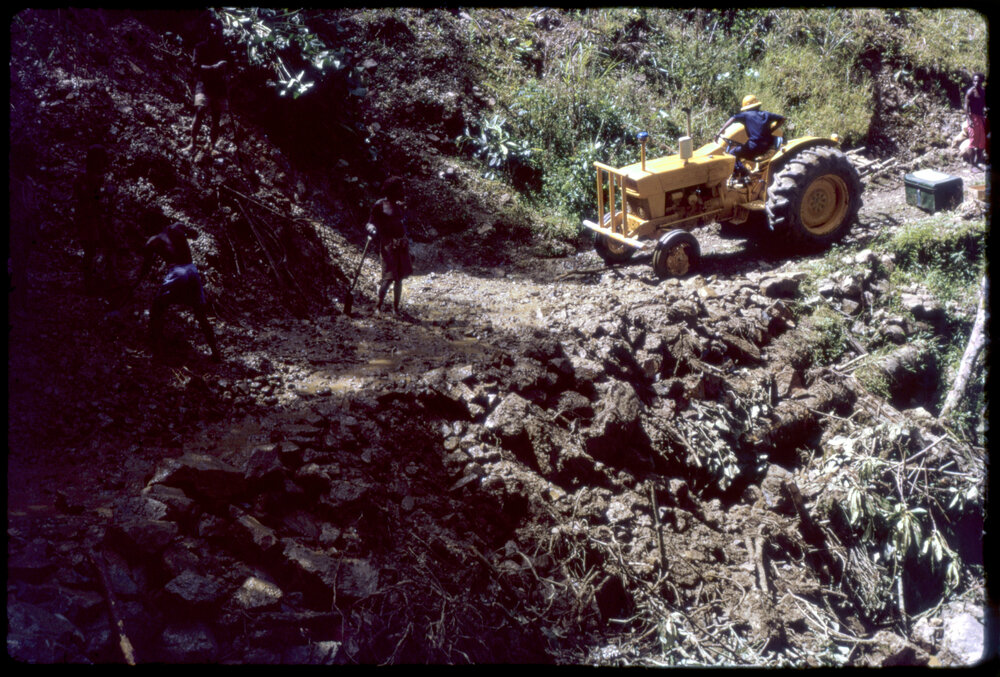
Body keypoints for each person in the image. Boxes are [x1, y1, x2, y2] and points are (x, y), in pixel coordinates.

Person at [130, 221, 220, 361]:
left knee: (156, 311)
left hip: (177, 272)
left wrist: (135, 283)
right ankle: (216, 354)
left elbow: (146, 268)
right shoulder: (177, 227)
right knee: (200, 314)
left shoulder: (153, 241)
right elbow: (195, 234)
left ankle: (158, 355)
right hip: (192, 270)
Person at [71, 144, 119, 293]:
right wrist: (105, 192)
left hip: (97, 217)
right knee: (90, 250)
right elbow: (87, 197)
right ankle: (88, 283)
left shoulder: (98, 175)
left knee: (108, 246)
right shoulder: (83, 176)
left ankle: (106, 279)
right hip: (86, 218)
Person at [365, 177, 413, 315]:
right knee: (388, 277)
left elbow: (402, 221)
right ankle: (378, 307)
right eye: (399, 188)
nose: (402, 191)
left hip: (401, 244)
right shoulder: (380, 205)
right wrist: (371, 228)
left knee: (399, 278)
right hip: (388, 246)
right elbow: (370, 222)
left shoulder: (399, 205)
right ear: (392, 190)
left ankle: (395, 309)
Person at [181, 19, 229, 155]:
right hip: (204, 84)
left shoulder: (224, 49)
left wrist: (227, 74)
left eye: (217, 30)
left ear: (220, 32)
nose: (214, 33)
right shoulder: (200, 47)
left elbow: (231, 67)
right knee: (200, 110)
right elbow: (195, 67)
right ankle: (192, 143)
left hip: (219, 87)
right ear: (208, 31)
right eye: (212, 30)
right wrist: (214, 68)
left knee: (216, 117)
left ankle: (212, 146)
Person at [715, 94, 786, 169]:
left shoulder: (746, 115)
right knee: (743, 148)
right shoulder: (766, 114)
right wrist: (773, 129)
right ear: (757, 105)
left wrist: (720, 132)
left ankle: (743, 174)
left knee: (732, 153)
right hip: (766, 147)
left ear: (746, 107)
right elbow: (783, 119)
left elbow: (733, 118)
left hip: (754, 147)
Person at [963, 72, 987, 167]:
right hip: (973, 117)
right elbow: (966, 106)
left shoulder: (983, 91)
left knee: (982, 141)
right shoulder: (970, 92)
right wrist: (969, 119)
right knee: (973, 142)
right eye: (974, 81)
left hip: (981, 117)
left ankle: (978, 161)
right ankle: (972, 165)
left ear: (981, 81)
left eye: (978, 81)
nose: (976, 83)